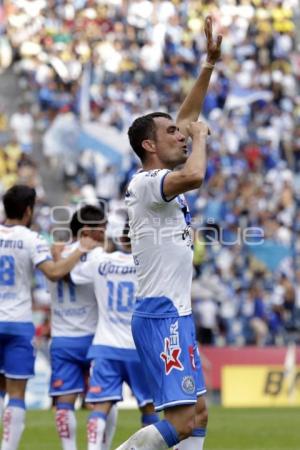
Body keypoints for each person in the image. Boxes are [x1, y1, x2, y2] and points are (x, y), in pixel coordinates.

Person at [116, 16, 222, 450]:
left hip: (175, 310)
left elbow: (187, 114)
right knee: (178, 423)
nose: (180, 134)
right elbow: (196, 173)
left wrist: (208, 66)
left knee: (198, 416)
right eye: (171, 133)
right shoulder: (148, 184)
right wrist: (200, 138)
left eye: (181, 132)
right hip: (161, 315)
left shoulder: (157, 176)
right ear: (149, 145)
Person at [0, 185, 97, 450]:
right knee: (16, 393)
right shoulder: (32, 239)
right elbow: (54, 273)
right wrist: (79, 250)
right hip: (18, 322)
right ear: (29, 210)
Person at [70, 222, 159, 450]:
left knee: (100, 407)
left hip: (105, 345)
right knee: (149, 408)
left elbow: (75, 274)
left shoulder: (100, 260)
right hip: (139, 347)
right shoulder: (149, 266)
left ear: (122, 239)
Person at [48, 204, 117, 450]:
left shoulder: (55, 253)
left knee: (64, 402)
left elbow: (57, 272)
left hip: (62, 337)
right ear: (90, 231)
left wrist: (60, 256)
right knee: (104, 399)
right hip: (94, 337)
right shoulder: (99, 256)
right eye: (104, 228)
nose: (107, 232)